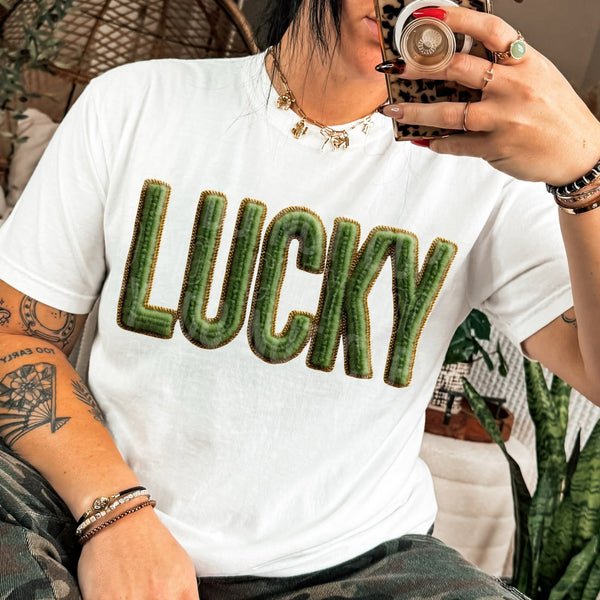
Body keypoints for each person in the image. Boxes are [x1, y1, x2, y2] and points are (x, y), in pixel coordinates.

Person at [0, 0, 599, 598]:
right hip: (98, 522)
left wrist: (586, 171)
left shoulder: (485, 170)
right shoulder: (136, 104)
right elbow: (16, 336)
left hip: (360, 567)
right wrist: (114, 514)